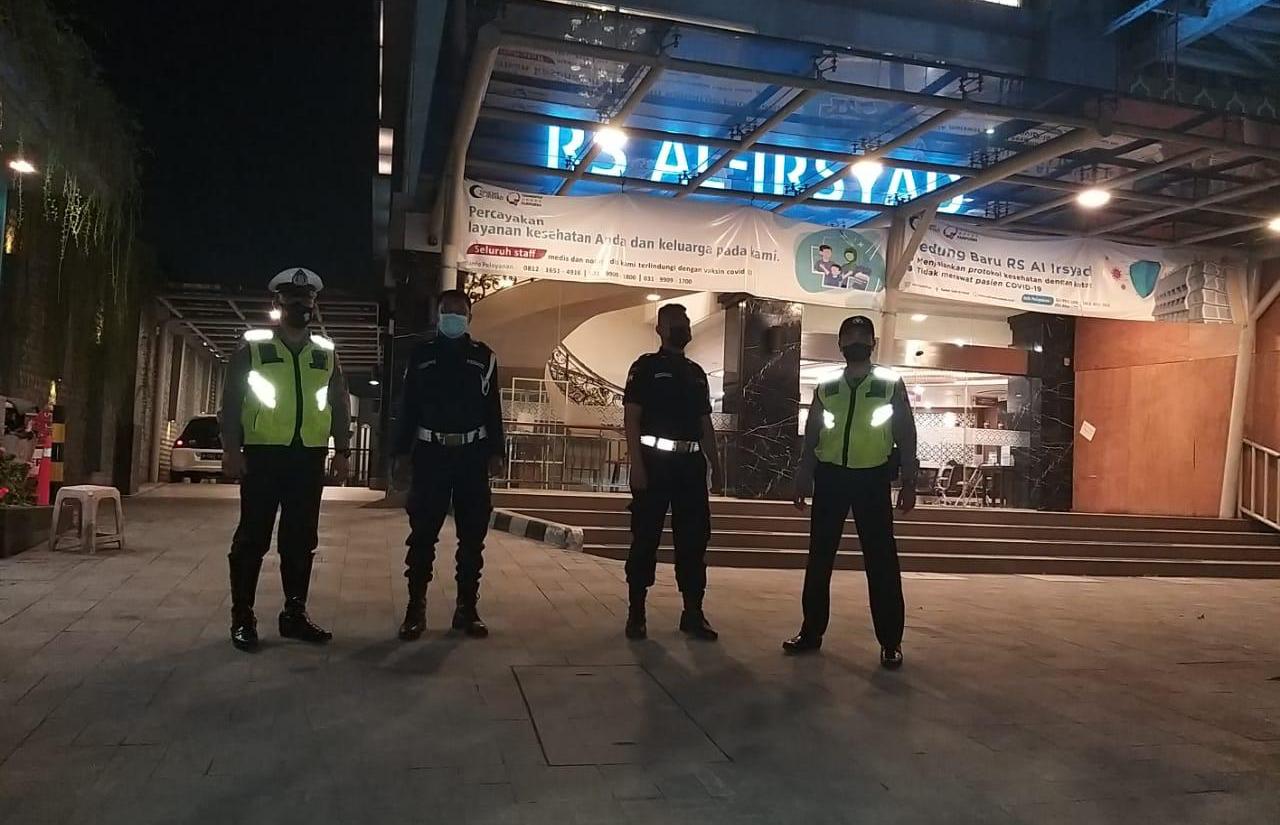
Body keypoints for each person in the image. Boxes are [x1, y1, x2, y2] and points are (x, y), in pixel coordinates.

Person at [221, 267, 351, 651]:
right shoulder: (253, 348)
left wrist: (342, 450)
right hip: (262, 456)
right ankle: (243, 617)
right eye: (293, 299)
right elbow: (231, 401)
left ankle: (294, 615)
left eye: (307, 299)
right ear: (277, 303)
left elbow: (339, 403)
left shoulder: (325, 352)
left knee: (300, 539)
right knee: (252, 537)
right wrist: (231, 449)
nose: (301, 305)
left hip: (307, 458)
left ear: (315, 303)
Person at [785, 315, 917, 668]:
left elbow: (906, 433)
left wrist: (909, 481)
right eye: (850, 336)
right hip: (830, 479)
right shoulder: (827, 384)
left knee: (881, 561)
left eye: (862, 336)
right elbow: (813, 432)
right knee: (819, 559)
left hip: (872, 479)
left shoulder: (890, 382)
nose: (856, 341)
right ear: (840, 344)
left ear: (873, 343)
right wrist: (803, 475)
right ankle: (811, 632)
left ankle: (890, 641)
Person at [392, 289, 505, 641]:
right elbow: (408, 407)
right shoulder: (421, 355)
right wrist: (400, 454)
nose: (453, 316)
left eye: (459, 310)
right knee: (422, 535)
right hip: (431, 455)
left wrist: (497, 452)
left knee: (472, 537)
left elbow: (493, 408)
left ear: (469, 317)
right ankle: (415, 609)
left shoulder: (484, 357)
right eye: (446, 310)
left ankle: (466, 608)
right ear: (437, 315)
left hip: (472, 456)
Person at [622, 303, 723, 641]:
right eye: (676, 322)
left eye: (686, 321)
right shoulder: (645, 367)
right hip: (654, 463)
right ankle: (637, 612)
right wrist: (637, 465)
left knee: (694, 541)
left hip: (690, 467)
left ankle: (693, 612)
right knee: (645, 538)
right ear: (660, 329)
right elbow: (632, 418)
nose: (683, 326)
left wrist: (716, 464)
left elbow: (705, 423)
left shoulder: (696, 373)